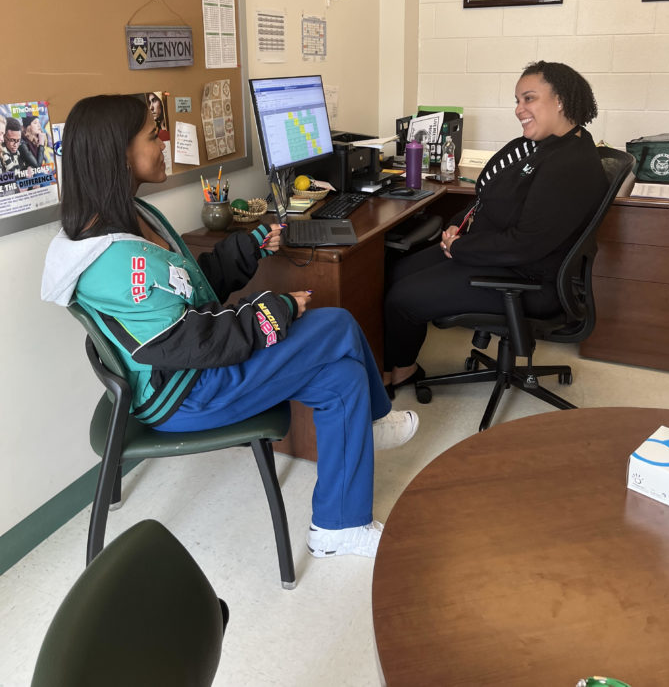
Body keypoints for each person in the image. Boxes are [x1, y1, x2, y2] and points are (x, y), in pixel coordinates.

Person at [42, 95, 418, 559]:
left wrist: (251, 247)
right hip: (186, 393)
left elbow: (191, 287)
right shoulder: (117, 262)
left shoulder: (137, 217)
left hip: (195, 370)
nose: (163, 142)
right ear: (117, 151)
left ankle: (337, 528)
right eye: (150, 134)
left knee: (341, 380)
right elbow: (190, 342)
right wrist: (276, 310)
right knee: (337, 324)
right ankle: (376, 421)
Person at [383, 61, 608, 394]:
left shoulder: (570, 165)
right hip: (497, 256)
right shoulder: (543, 146)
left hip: (526, 279)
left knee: (403, 298)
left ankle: (403, 371)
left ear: (560, 100)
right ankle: (388, 363)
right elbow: (488, 198)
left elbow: (524, 244)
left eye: (529, 99)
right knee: (396, 270)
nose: (519, 110)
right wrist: (457, 226)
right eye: (517, 100)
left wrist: (458, 247)